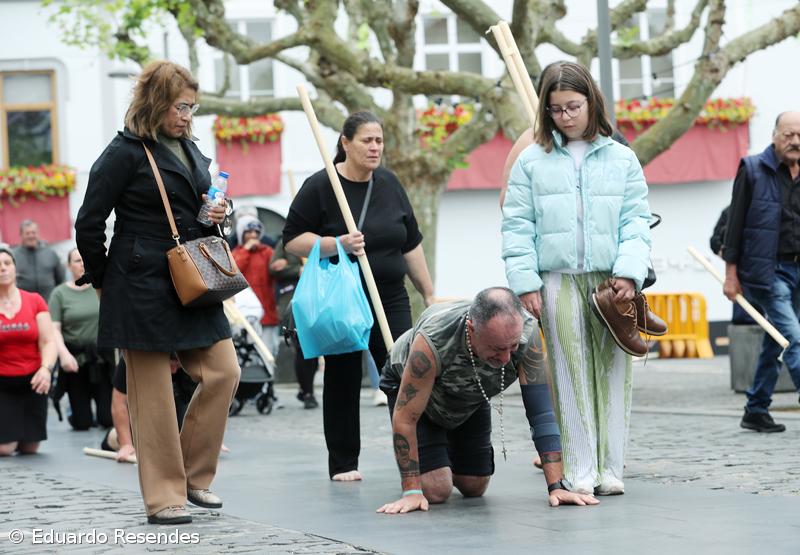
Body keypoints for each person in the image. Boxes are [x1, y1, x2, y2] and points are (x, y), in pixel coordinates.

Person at [74, 60, 240, 525]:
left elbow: (203, 206)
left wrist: (220, 210)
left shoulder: (190, 148)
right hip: (140, 281)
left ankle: (192, 477)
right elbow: (89, 224)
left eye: (192, 107)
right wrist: (104, 280)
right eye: (181, 106)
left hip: (194, 277)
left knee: (224, 372)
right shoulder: (123, 152)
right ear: (156, 103)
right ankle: (165, 497)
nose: (188, 115)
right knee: (152, 397)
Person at [501, 61, 652, 495]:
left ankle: (611, 468)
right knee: (568, 373)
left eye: (573, 106)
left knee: (614, 371)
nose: (565, 116)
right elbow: (516, 226)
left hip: (611, 282)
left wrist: (629, 272)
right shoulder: (531, 161)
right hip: (556, 279)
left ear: (591, 103)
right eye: (555, 109)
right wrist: (525, 281)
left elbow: (636, 221)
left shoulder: (623, 158)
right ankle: (582, 468)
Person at [283, 110, 435, 481]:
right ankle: (344, 463)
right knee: (344, 376)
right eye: (367, 140)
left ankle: (415, 457)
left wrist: (428, 293)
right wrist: (336, 244)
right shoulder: (322, 186)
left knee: (402, 372)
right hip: (344, 295)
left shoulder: (389, 184)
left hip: (390, 294)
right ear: (345, 143)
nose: (375, 147)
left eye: (379, 140)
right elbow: (292, 240)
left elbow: (410, 243)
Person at [376, 287, 597, 514]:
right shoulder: (434, 339)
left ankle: (442, 451)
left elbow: (541, 413)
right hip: (422, 399)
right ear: (472, 330)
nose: (505, 359)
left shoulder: (527, 334)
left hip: (471, 393)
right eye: (498, 349)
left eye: (512, 347)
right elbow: (405, 418)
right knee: (436, 490)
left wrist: (556, 486)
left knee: (474, 486)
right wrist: (411, 491)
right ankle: (431, 455)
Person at [722, 111, 800, 433]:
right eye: (788, 135)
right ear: (774, 136)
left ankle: (755, 408)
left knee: (777, 340)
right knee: (794, 339)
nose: (795, 141)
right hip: (770, 273)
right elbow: (734, 225)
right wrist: (731, 274)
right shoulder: (753, 169)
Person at [0, 246, 58, 456]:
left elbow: (48, 341)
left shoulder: (34, 300)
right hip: (3, 384)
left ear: (15, 268)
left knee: (30, 448)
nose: (3, 269)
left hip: (33, 381)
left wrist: (46, 369)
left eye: (7, 263)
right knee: (5, 448)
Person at [49, 248, 113, 431]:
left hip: (101, 359)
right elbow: (53, 328)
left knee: (107, 420)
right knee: (82, 423)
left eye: (84, 259)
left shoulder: (100, 288)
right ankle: (74, 410)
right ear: (68, 265)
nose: (82, 264)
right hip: (75, 361)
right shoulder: (59, 294)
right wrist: (63, 356)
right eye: (77, 260)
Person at [269, 235, 319, 409]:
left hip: (318, 299)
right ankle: (308, 392)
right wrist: (297, 270)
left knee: (314, 350)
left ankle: (306, 388)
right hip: (296, 300)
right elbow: (274, 268)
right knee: (303, 348)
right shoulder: (285, 241)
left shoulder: (320, 238)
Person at [232, 216, 280, 356]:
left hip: (267, 312)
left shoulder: (267, 252)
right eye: (249, 231)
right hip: (245, 314)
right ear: (241, 234)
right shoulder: (235, 253)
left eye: (256, 232)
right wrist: (245, 250)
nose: (253, 235)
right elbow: (234, 273)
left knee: (269, 352)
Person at [12, 219, 65, 301]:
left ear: (38, 233)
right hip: (23, 303)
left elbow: (60, 278)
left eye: (33, 232)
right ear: (21, 235)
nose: (31, 236)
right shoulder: (13, 256)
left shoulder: (50, 253)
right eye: (27, 233)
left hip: (49, 302)